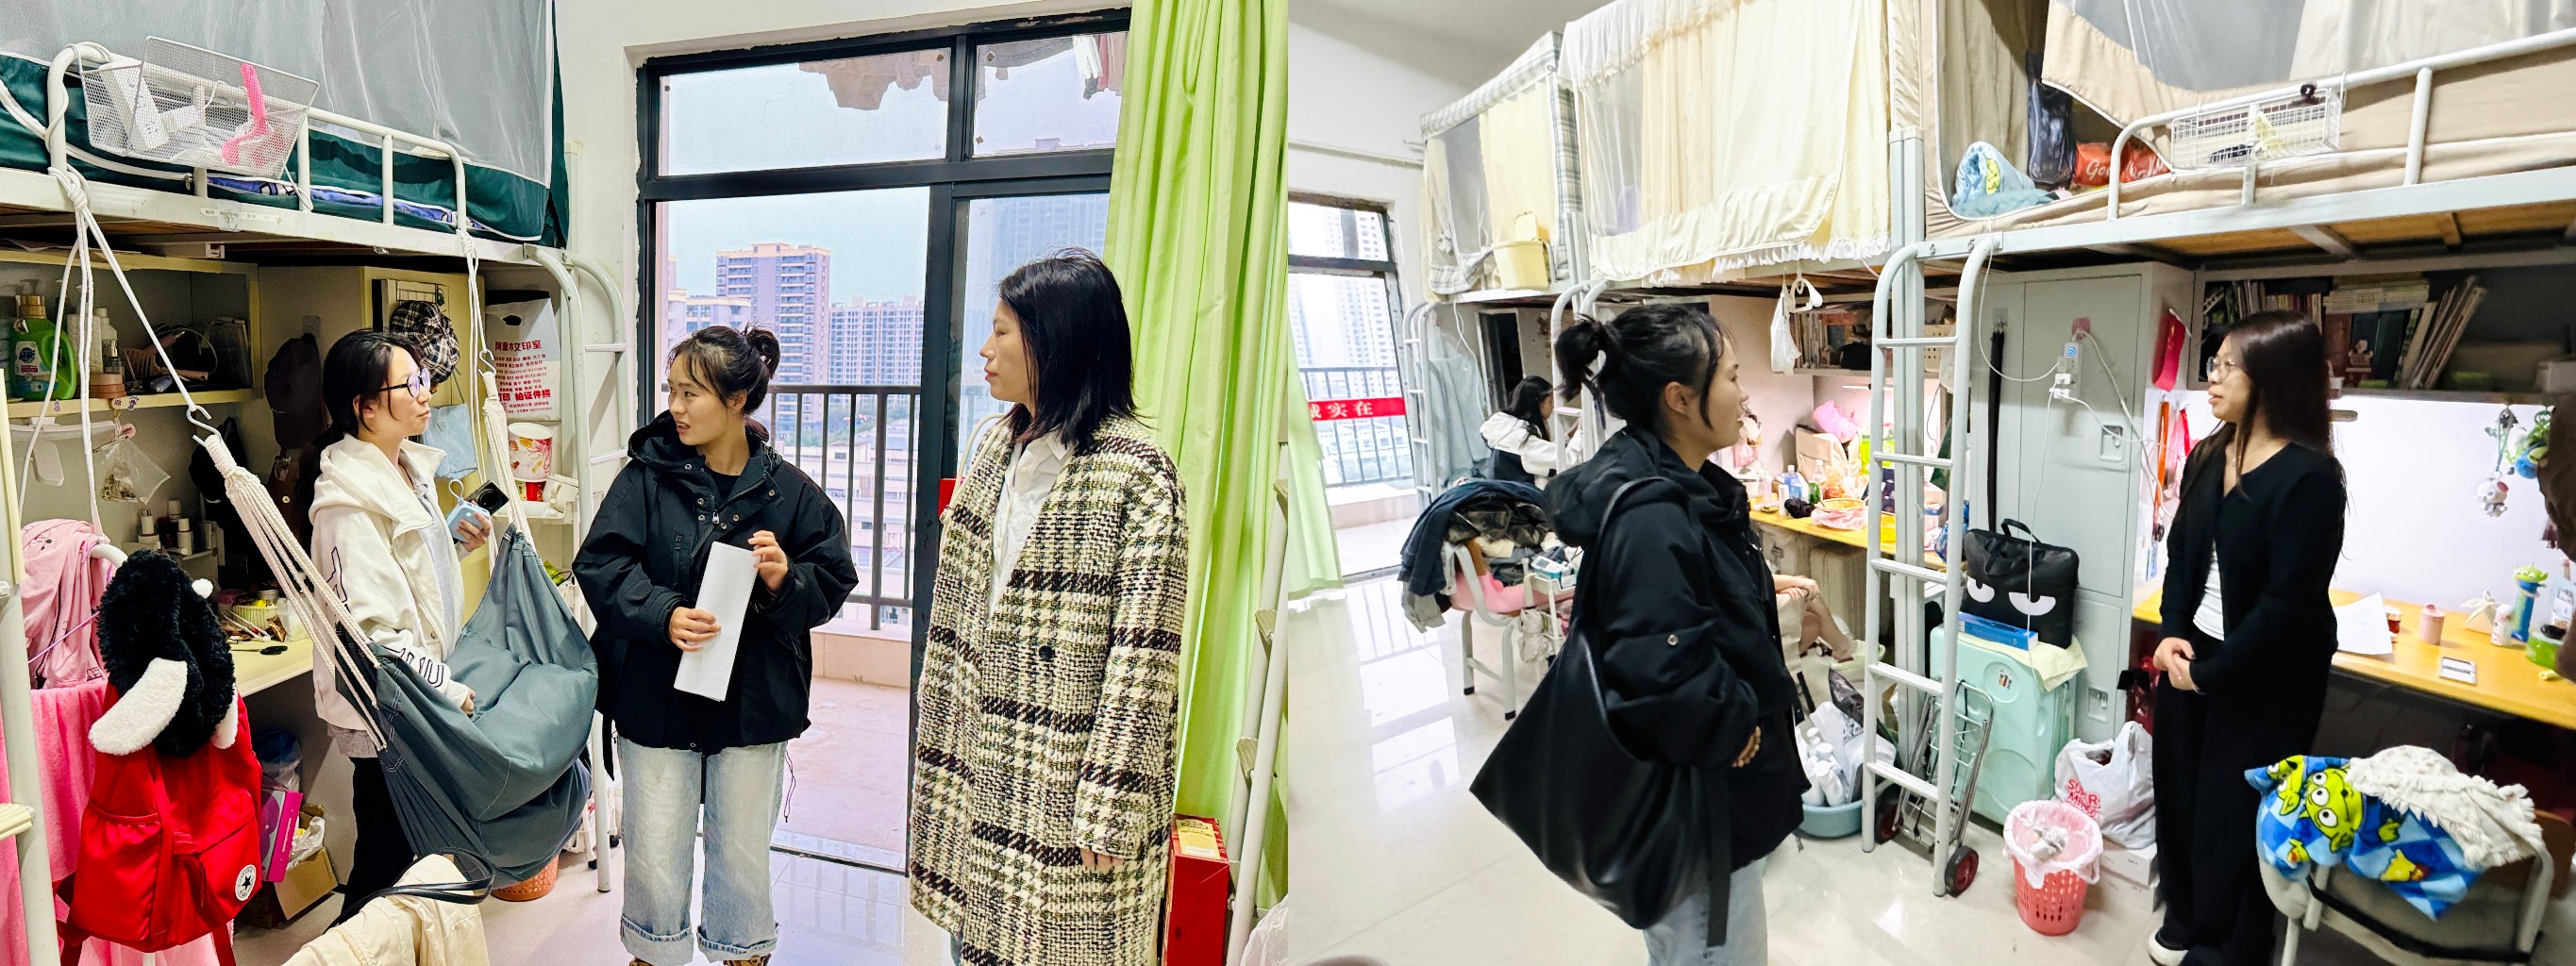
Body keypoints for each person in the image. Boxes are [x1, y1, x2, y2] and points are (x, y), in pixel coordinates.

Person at [909, 250, 1190, 966]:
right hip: (982, 753)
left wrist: (1110, 801)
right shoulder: (994, 444)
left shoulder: (1139, 473)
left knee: (1064, 944)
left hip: (1068, 774)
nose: (985, 349)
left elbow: (1144, 657)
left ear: (1054, 343)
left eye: (1001, 331)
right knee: (975, 941)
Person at [574, 325, 860, 966]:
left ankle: (743, 953)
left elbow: (833, 578)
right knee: (653, 847)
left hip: (753, 702)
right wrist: (662, 613)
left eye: (691, 393)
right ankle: (653, 954)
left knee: (741, 850)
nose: (674, 407)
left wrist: (785, 578)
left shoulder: (791, 493)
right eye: (672, 390)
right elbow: (600, 564)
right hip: (656, 696)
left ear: (736, 401)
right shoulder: (644, 478)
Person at [1546, 304, 1809, 964]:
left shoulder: (1681, 487)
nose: (1744, 394)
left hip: (1704, 803)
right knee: (1713, 949)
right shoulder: (1652, 513)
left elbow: (1681, 616)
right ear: (1680, 398)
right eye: (1733, 376)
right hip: (1695, 816)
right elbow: (1658, 668)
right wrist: (1733, 724)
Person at [2147, 309, 2347, 966]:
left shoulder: (2310, 478)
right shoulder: (2210, 454)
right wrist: (2172, 634)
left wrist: (2210, 675)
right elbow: (2181, 556)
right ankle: (2184, 916)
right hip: (2194, 655)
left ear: (2271, 379)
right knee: (2179, 793)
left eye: (2228, 366)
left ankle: (2228, 946)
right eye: (2215, 364)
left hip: (2265, 678)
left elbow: (2286, 608)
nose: (2213, 377)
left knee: (2235, 814)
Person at [303, 331, 491, 921]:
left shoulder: (406, 468)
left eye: (424, 379)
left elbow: (404, 582)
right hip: (388, 706)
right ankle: (352, 952)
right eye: (409, 384)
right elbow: (374, 636)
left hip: (416, 695)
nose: (425, 393)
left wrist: (451, 543)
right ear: (365, 408)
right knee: (386, 862)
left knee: (413, 858)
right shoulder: (347, 504)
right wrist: (447, 689)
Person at [1481, 375, 1564, 486]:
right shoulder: (1521, 439)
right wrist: (1581, 434)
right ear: (1537, 403)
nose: (1553, 406)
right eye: (1550, 402)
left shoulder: (1506, 429)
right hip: (1520, 496)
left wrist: (1569, 436)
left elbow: (1543, 451)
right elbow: (1565, 461)